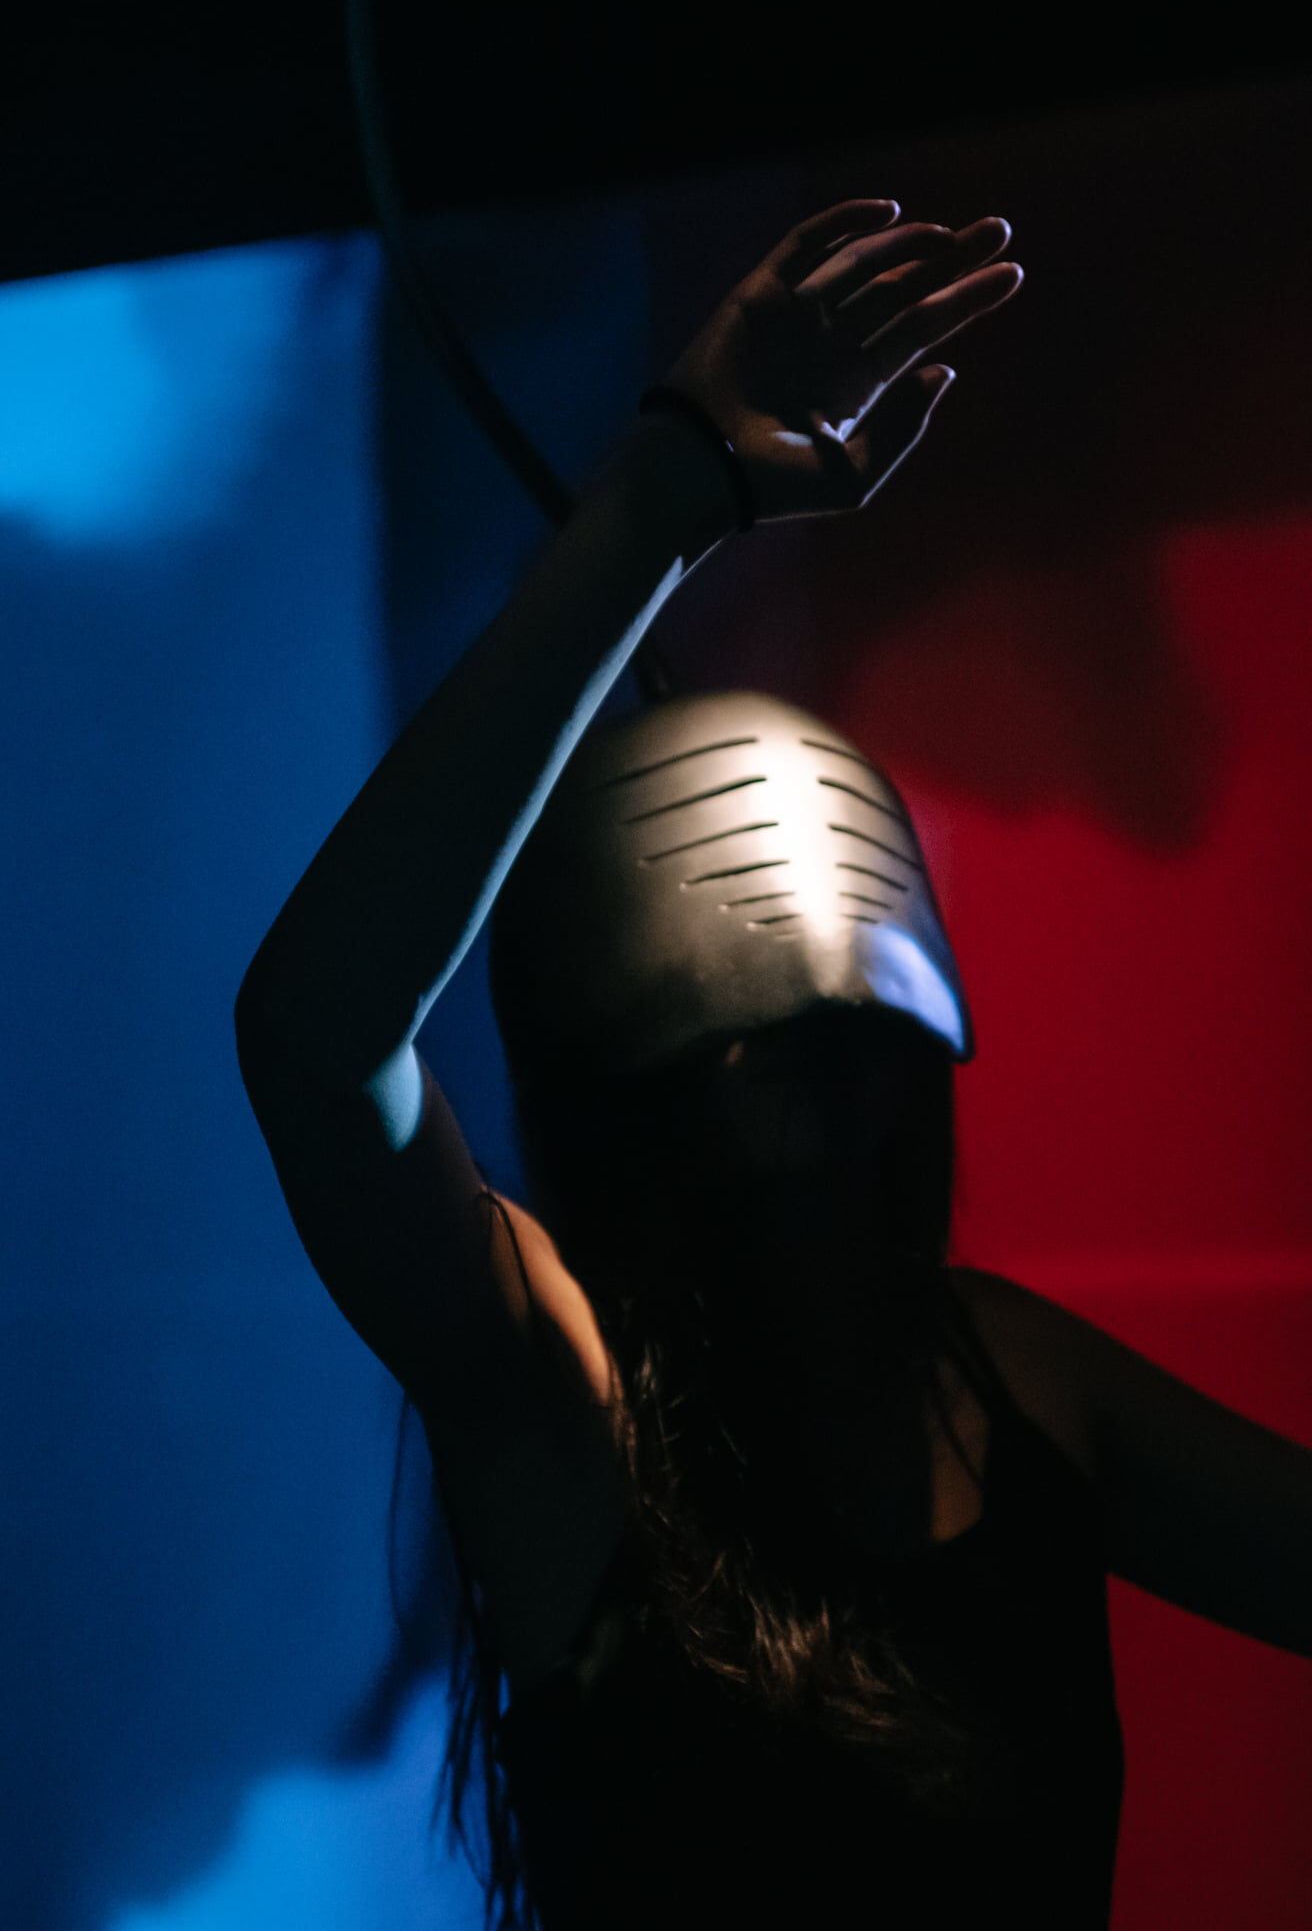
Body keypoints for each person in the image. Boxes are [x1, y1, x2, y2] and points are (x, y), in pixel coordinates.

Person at [235, 201, 1312, 1929]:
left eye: (865, 1064)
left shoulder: (1014, 1387)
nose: (840, 1129)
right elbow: (314, 1041)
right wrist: (663, 501)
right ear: (642, 1113)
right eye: (767, 1075)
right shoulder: (560, 1407)